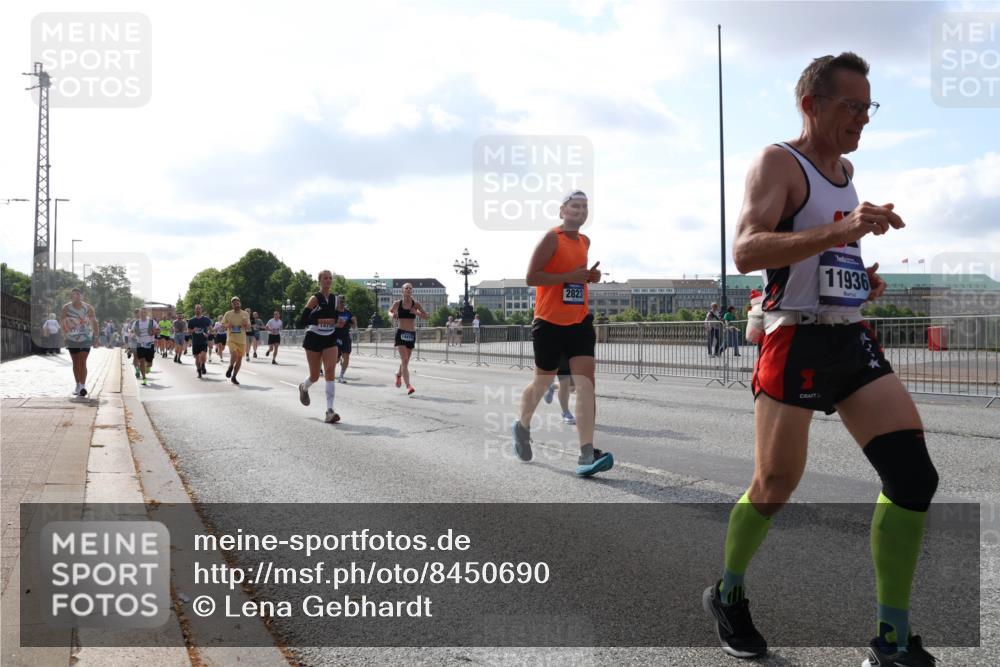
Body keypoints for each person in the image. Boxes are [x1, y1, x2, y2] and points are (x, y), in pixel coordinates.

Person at [702, 52, 938, 667]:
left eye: (869, 106)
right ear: (811, 104)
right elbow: (748, 250)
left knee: (914, 477)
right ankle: (727, 592)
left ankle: (891, 637)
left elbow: (823, 256)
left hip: (848, 334)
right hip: (793, 340)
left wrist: (859, 277)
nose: (863, 118)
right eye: (851, 106)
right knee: (775, 486)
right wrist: (841, 233)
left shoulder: (846, 169)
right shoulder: (778, 161)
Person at [510, 190, 611, 477]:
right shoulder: (551, 237)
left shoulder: (584, 241)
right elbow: (532, 277)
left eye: (584, 207)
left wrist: (590, 277)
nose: (580, 211)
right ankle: (522, 425)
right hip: (549, 321)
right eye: (575, 206)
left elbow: (577, 276)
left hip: (579, 320)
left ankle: (586, 453)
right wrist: (569, 277)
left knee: (587, 384)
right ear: (562, 210)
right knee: (542, 382)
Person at [296, 270, 342, 423]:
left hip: (330, 338)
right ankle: (304, 387)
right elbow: (303, 320)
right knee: (315, 376)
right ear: (319, 281)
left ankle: (330, 410)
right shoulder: (315, 299)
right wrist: (324, 321)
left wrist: (340, 322)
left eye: (330, 278)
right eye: (325, 278)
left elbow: (339, 317)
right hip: (314, 338)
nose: (328, 281)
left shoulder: (337, 299)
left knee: (330, 372)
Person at [389, 283, 430, 395]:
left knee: (405, 361)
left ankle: (398, 374)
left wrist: (416, 312)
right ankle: (408, 386)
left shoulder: (415, 304)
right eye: (406, 288)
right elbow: (390, 311)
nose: (408, 289)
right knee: (405, 360)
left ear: (412, 291)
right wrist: (392, 315)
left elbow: (427, 316)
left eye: (410, 288)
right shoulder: (397, 303)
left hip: (411, 334)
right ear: (402, 291)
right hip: (401, 333)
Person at [60, 288, 101, 396]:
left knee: (82, 361)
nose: (76, 296)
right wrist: (64, 335)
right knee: (76, 362)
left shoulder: (88, 308)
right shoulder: (66, 308)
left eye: (78, 294)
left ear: (82, 296)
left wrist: (96, 336)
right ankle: (77, 384)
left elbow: (94, 322)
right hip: (72, 338)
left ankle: (83, 386)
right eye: (74, 295)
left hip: (86, 338)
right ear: (71, 297)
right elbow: (62, 321)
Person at [222, 297, 251, 385]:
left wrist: (245, 325)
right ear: (232, 305)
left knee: (239, 360)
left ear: (240, 303)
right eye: (234, 304)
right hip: (231, 338)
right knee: (234, 354)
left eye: (237, 303)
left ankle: (234, 376)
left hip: (241, 340)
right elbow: (223, 325)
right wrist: (228, 325)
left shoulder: (245, 314)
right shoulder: (228, 314)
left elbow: (248, 326)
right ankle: (230, 367)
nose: (236, 305)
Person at [542, 353, 576, 424]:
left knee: (572, 388)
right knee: (565, 384)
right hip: (560, 352)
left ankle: (553, 386)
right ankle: (566, 412)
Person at [334, 295, 358, 383]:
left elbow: (353, 323)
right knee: (335, 359)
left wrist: (355, 324)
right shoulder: (334, 313)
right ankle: (330, 370)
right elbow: (328, 325)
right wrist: (337, 325)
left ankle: (341, 376)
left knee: (346, 357)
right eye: (340, 302)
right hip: (335, 337)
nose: (342, 303)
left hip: (345, 337)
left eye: (343, 302)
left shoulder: (348, 313)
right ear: (337, 302)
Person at [132, 308, 158, 386]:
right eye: (141, 312)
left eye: (144, 312)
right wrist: (133, 333)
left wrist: (154, 332)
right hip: (140, 344)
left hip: (150, 344)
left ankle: (148, 367)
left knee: (149, 363)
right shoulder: (136, 322)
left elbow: (158, 330)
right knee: (141, 361)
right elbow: (133, 331)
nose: (142, 314)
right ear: (139, 314)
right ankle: (144, 378)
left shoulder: (151, 321)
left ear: (146, 313)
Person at [187, 304, 213, 379]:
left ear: (201, 310)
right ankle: (199, 370)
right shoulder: (191, 320)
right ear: (194, 310)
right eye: (196, 309)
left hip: (203, 341)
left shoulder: (206, 319)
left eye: (199, 309)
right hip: (195, 342)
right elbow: (188, 332)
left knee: (203, 356)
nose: (198, 310)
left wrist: (207, 334)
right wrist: (193, 330)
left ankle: (203, 365)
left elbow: (211, 329)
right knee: (197, 358)